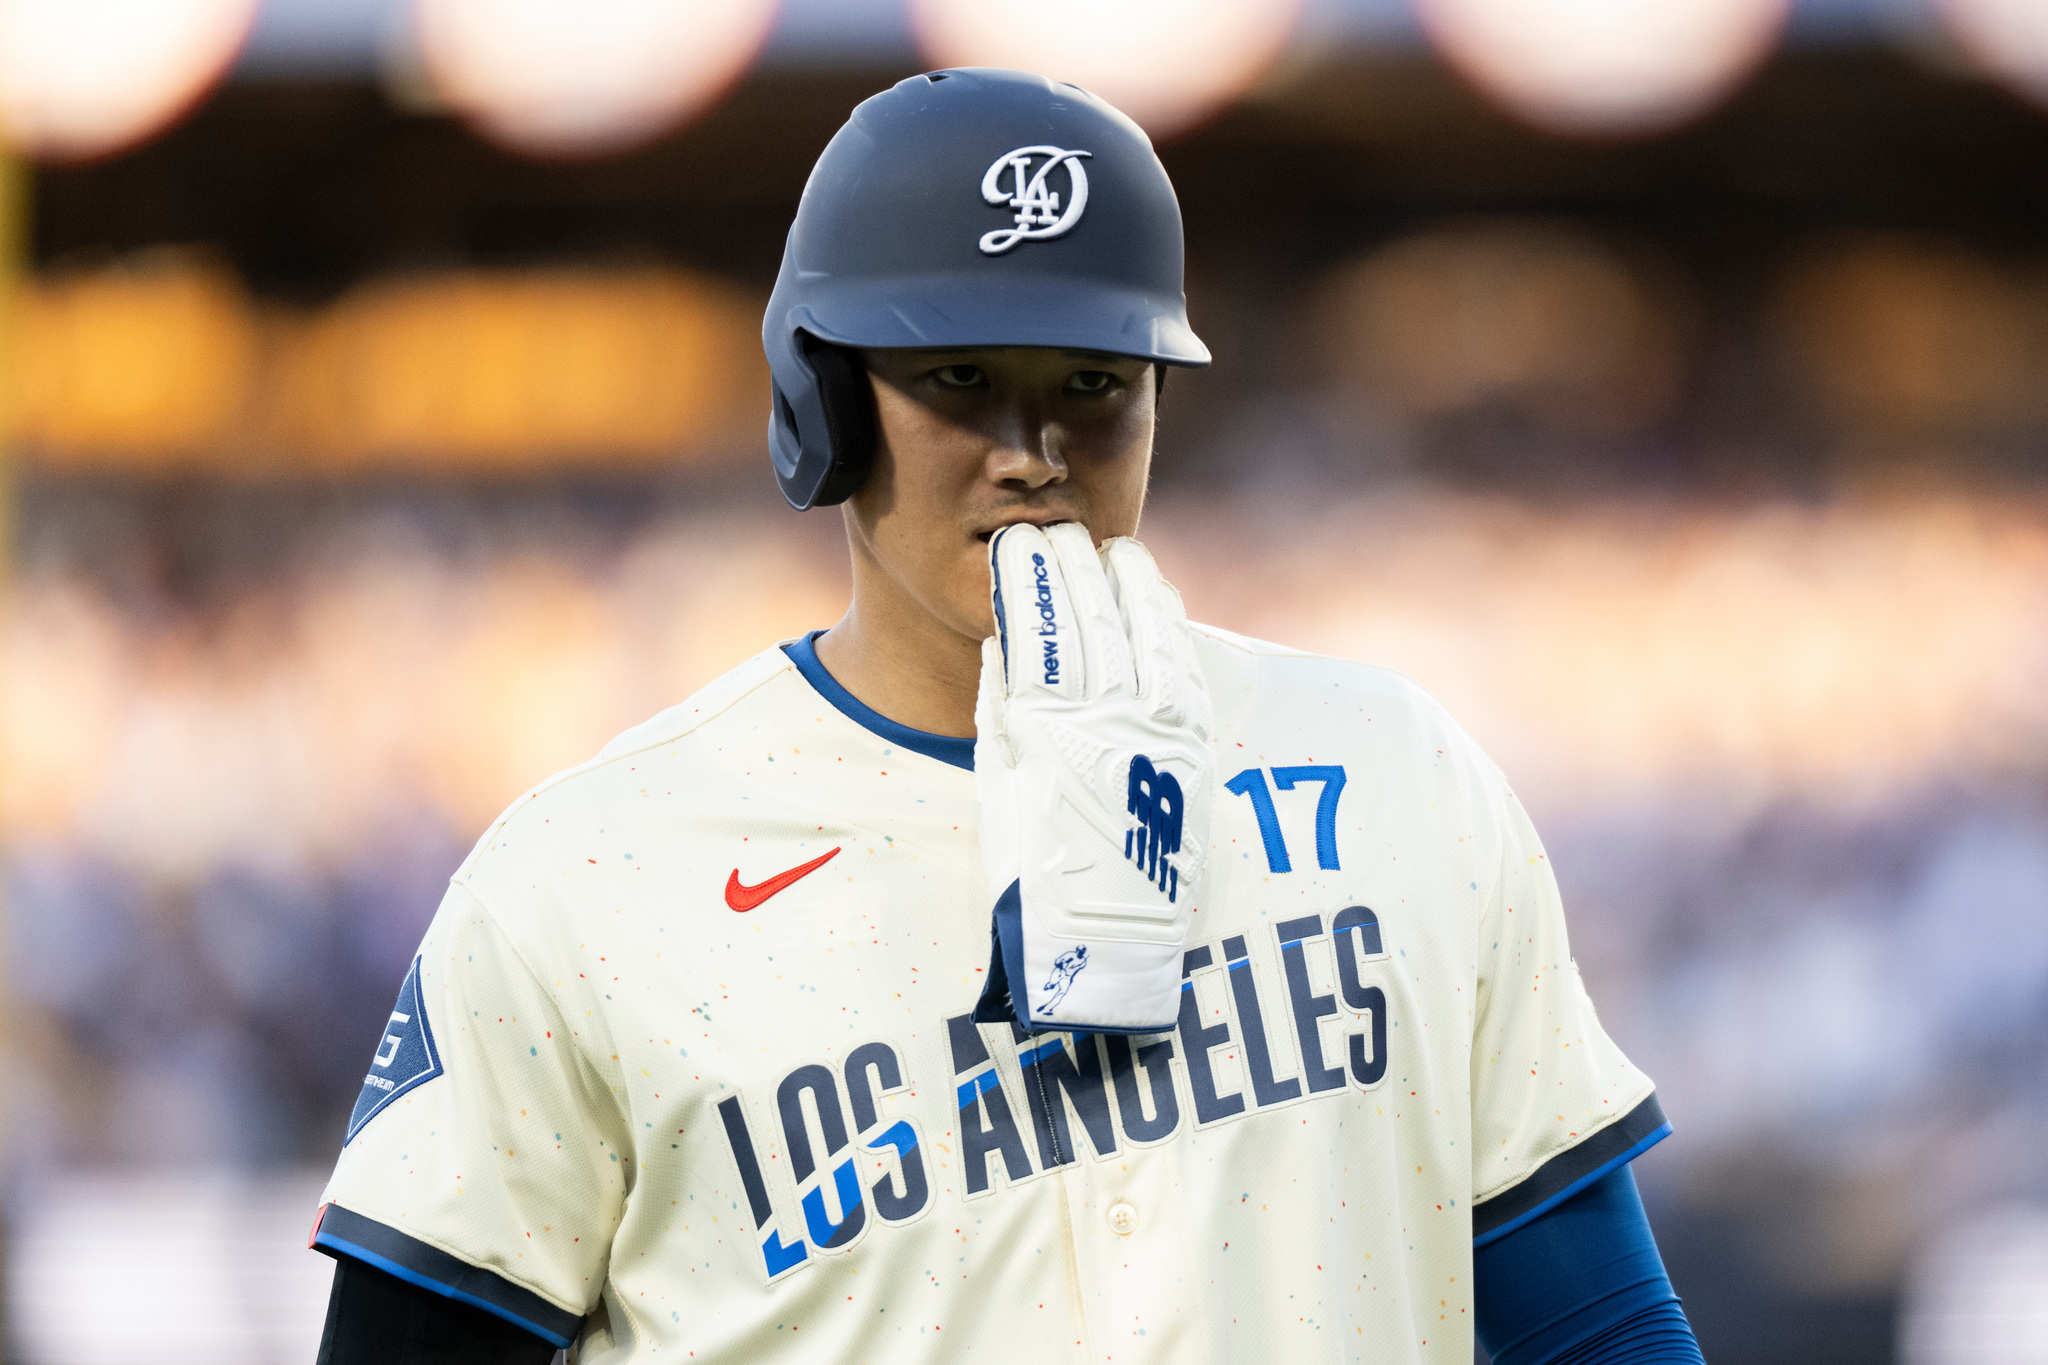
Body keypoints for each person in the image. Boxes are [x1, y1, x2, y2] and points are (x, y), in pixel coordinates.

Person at [311, 68, 1705, 1365]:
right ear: (821, 398)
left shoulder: (1396, 774)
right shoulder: (586, 880)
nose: (1032, 454)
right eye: (959, 377)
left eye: (1091, 385)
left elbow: (1595, 1328)